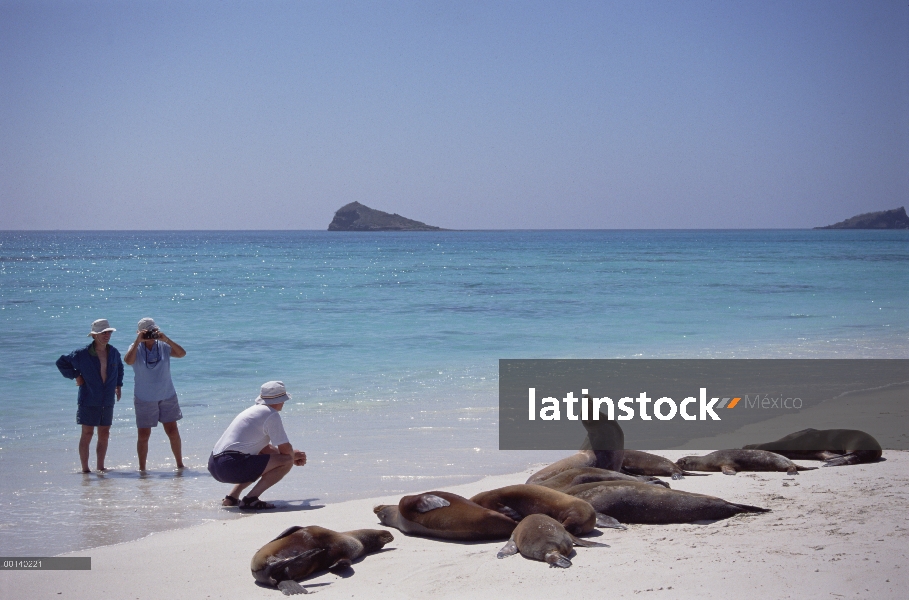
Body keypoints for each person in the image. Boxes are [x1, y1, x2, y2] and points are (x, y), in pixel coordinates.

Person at [208, 381, 307, 510]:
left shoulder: (252, 411)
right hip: (230, 466)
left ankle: (232, 497)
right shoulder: (271, 414)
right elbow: (286, 451)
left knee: (261, 458)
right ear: (280, 400)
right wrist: (294, 456)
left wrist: (292, 455)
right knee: (286, 460)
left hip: (215, 465)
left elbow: (265, 450)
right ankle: (250, 499)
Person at [56, 319, 124, 473]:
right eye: (103, 333)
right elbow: (61, 362)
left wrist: (118, 385)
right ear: (94, 335)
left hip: (107, 399)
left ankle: (100, 467)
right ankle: (85, 469)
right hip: (89, 398)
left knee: (104, 433)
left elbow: (119, 367)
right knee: (87, 433)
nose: (107, 335)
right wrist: (76, 376)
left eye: (109, 332)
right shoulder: (82, 354)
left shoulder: (113, 352)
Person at [123, 317, 187, 471]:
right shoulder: (135, 347)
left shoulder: (163, 346)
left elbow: (182, 354)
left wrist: (166, 339)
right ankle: (142, 469)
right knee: (144, 435)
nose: (150, 335)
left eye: (152, 331)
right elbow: (128, 361)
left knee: (172, 431)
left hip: (167, 395)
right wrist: (138, 341)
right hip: (145, 398)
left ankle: (180, 465)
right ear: (138, 332)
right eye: (146, 332)